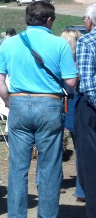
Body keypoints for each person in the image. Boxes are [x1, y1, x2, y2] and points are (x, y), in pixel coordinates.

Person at [0, 1, 77, 218]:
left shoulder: (9, 44)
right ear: (49, 20)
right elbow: (71, 82)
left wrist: (8, 100)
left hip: (19, 103)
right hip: (49, 104)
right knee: (49, 167)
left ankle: (17, 215)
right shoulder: (60, 44)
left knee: (18, 168)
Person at [75, 2, 96, 216]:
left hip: (91, 108)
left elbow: (88, 83)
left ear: (89, 21)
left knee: (90, 166)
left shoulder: (87, 42)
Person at [59, 28, 84, 203]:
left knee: (51, 146)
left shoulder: (57, 60)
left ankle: (48, 182)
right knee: (81, 148)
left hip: (57, 103)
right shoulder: (79, 63)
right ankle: (82, 189)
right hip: (76, 105)